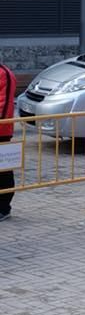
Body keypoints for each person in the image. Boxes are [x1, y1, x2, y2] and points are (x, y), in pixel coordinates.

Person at [0, 60, 15, 221]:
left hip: (1, 131)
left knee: (2, 171)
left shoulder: (4, 74)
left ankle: (3, 208)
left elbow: (3, 108)